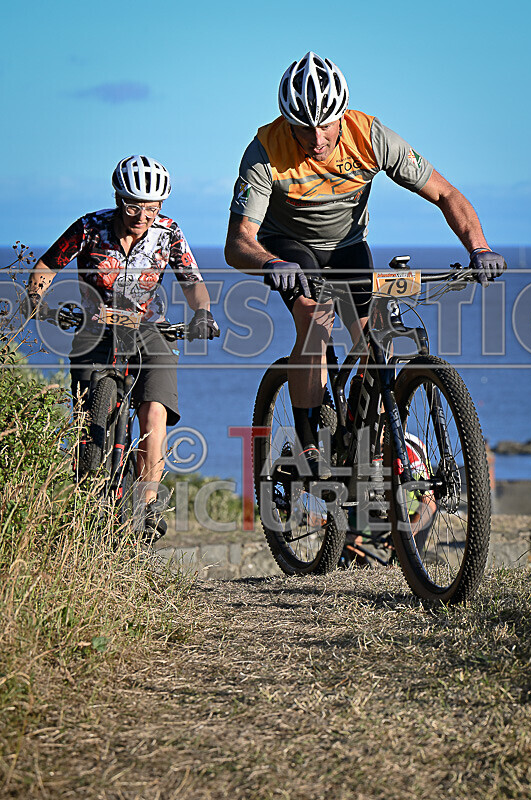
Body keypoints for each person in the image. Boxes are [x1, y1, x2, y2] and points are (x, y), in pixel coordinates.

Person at [224, 51, 506, 478]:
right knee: (314, 317)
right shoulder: (265, 151)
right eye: (303, 128)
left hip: (347, 245)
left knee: (379, 335)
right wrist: (269, 262)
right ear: (287, 121)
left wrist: (479, 248)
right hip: (288, 247)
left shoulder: (370, 136)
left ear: (343, 113)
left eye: (325, 124)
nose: (316, 138)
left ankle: (367, 434)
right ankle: (309, 447)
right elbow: (238, 242)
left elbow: (446, 194)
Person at [26, 154, 219, 540]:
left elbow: (192, 281)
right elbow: (44, 269)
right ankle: (87, 502)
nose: (142, 216)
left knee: (155, 409)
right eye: (133, 206)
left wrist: (202, 312)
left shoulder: (169, 232)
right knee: (87, 421)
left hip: (149, 329)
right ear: (118, 199)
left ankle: (148, 502)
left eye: (151, 207)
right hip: (93, 327)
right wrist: (40, 303)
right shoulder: (89, 228)